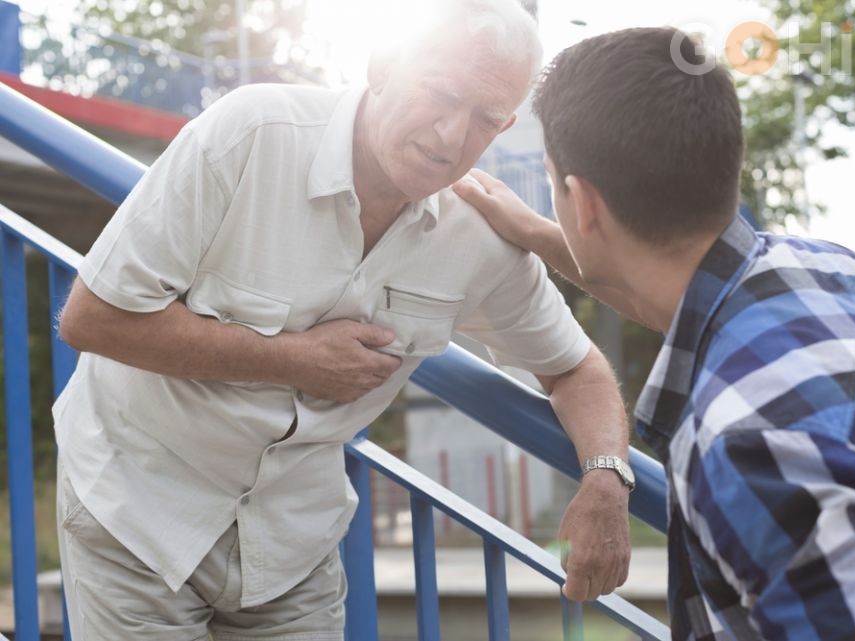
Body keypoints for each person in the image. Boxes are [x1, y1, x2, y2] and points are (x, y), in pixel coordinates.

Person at [53, 2, 636, 639]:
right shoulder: (252, 132)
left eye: (484, 120)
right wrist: (292, 359)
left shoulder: (483, 234)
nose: (450, 136)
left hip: (290, 549)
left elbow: (577, 369)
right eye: (441, 94)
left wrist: (606, 479)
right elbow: (93, 318)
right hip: (136, 512)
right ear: (383, 64)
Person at [455, 26, 855, 641]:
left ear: (582, 203)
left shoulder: (752, 438)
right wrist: (539, 233)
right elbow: (683, 295)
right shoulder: (837, 271)